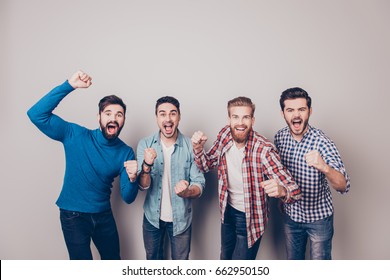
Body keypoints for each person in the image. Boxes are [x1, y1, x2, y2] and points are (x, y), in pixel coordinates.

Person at [27, 70, 138, 260]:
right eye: (108, 113)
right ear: (99, 117)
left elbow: (128, 198)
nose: (113, 118)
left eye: (119, 114)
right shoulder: (75, 135)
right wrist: (69, 85)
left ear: (123, 121)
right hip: (73, 215)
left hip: (103, 214)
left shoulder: (125, 152)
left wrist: (134, 177)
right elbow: (36, 114)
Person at [191, 96, 301, 260]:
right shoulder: (225, 135)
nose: (240, 123)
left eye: (246, 117)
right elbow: (206, 165)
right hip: (227, 211)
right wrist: (198, 149)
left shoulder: (263, 149)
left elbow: (295, 191)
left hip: (250, 217)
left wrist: (282, 190)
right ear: (229, 119)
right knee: (225, 259)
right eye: (235, 117)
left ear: (253, 120)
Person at [275, 87, 350, 260]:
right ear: (283, 114)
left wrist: (325, 167)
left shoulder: (322, 142)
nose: (296, 115)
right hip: (291, 216)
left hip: (319, 219)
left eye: (301, 109)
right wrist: (281, 197)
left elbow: (343, 185)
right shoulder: (280, 138)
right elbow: (279, 172)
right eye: (290, 110)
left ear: (310, 111)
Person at [137, 96, 205, 260]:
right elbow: (142, 186)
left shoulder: (190, 146)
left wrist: (187, 191)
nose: (168, 118)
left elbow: (200, 183)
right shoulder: (145, 144)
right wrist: (146, 165)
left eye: (173, 113)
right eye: (162, 114)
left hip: (181, 219)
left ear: (179, 117)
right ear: (157, 118)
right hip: (152, 217)